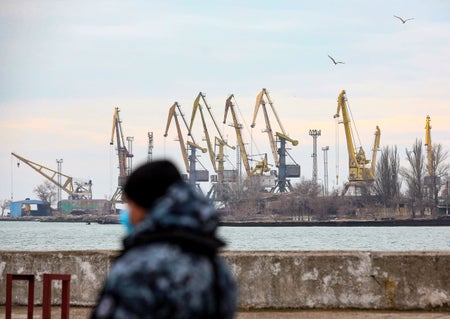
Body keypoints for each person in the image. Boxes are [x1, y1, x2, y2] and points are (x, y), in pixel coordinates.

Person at [91, 160, 237, 319]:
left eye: (130, 205)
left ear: (144, 207)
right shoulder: (216, 267)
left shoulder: (139, 268)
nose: (127, 213)